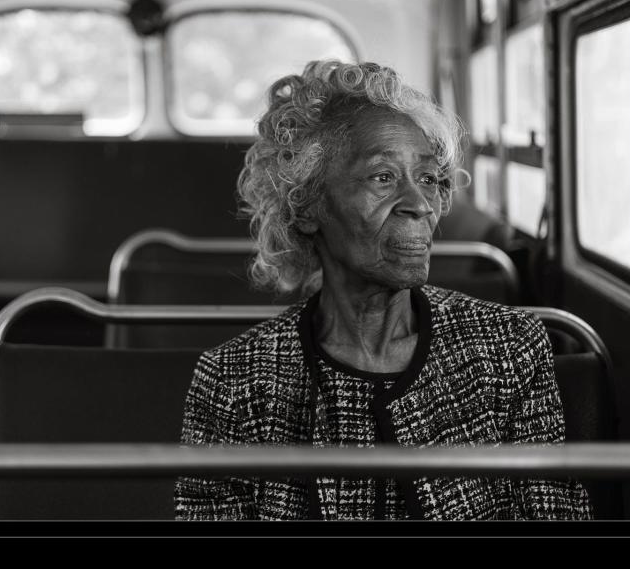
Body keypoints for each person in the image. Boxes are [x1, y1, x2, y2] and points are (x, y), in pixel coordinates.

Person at [174, 60, 591, 520]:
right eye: (383, 177)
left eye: (429, 179)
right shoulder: (233, 380)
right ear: (308, 205)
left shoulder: (510, 350)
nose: (420, 204)